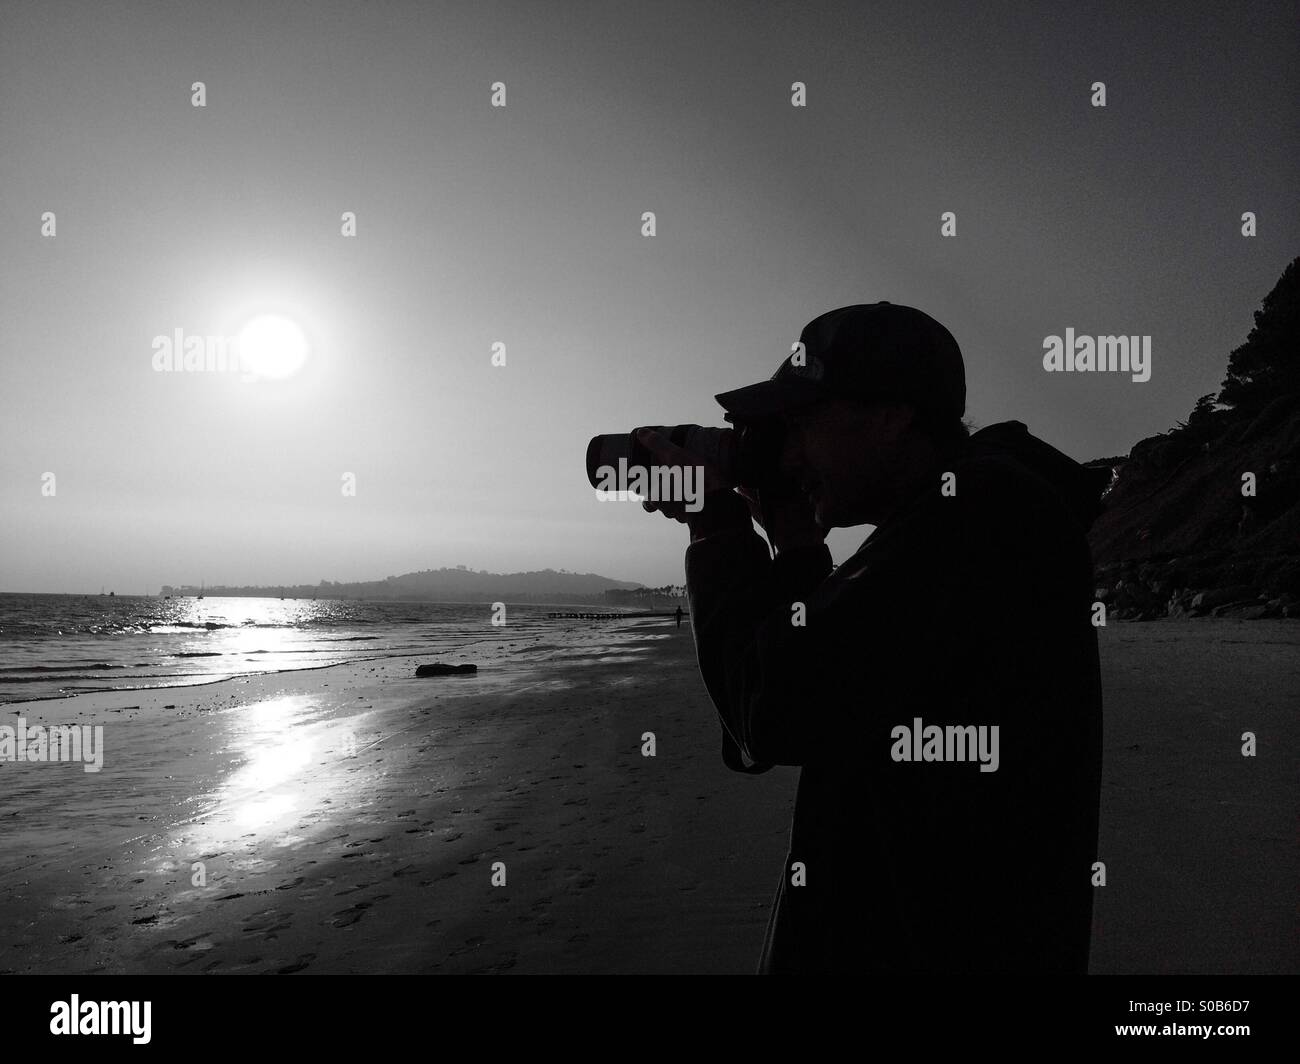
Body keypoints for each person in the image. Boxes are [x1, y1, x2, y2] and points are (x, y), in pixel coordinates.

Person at [639, 302, 1105, 974]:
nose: (790, 455)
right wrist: (797, 547)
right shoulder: (959, 514)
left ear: (890, 416)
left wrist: (716, 528)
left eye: (801, 423)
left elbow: (771, 708)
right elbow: (833, 684)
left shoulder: (978, 515)